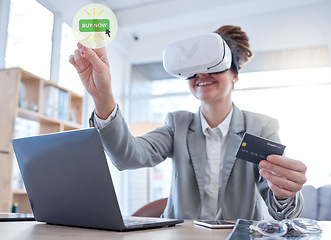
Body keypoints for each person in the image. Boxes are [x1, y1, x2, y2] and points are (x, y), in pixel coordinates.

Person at [69, 25, 307, 221]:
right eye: (193, 70)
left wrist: (285, 192)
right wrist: (103, 96)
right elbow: (126, 156)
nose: (201, 75)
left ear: (235, 74)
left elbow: (283, 212)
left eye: (213, 66)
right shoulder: (177, 124)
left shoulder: (261, 128)